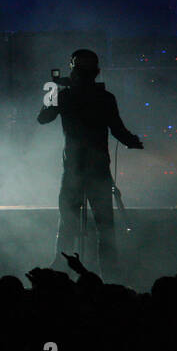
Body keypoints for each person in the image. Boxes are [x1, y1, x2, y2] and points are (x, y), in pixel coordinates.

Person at [37, 49, 143, 277]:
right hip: (98, 170)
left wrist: (52, 90)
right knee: (105, 225)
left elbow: (43, 118)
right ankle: (110, 271)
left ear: (73, 71)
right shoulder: (105, 98)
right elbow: (118, 130)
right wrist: (133, 142)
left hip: (75, 168)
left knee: (68, 222)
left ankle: (60, 265)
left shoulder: (65, 96)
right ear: (96, 72)